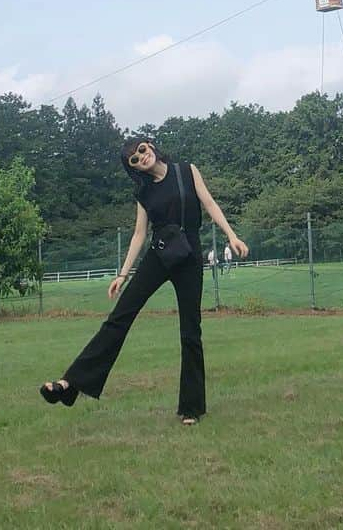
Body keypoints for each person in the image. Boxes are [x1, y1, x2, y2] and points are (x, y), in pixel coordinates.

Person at [40, 137, 249, 424]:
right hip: (159, 254)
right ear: (134, 169)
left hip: (189, 255)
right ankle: (69, 385)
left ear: (150, 145)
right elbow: (140, 234)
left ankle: (191, 408)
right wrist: (123, 274)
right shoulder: (144, 193)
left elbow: (209, 202)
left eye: (141, 150)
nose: (141, 157)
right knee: (119, 317)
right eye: (134, 160)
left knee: (190, 331)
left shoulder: (187, 170)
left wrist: (232, 235)